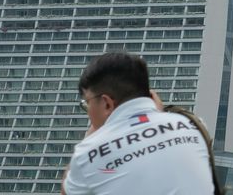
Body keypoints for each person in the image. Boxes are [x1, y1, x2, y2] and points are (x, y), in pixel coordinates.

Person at [62, 51, 220, 195]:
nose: (88, 111)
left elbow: (67, 192)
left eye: (86, 103)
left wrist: (90, 138)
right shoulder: (191, 126)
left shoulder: (89, 152)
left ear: (106, 103)